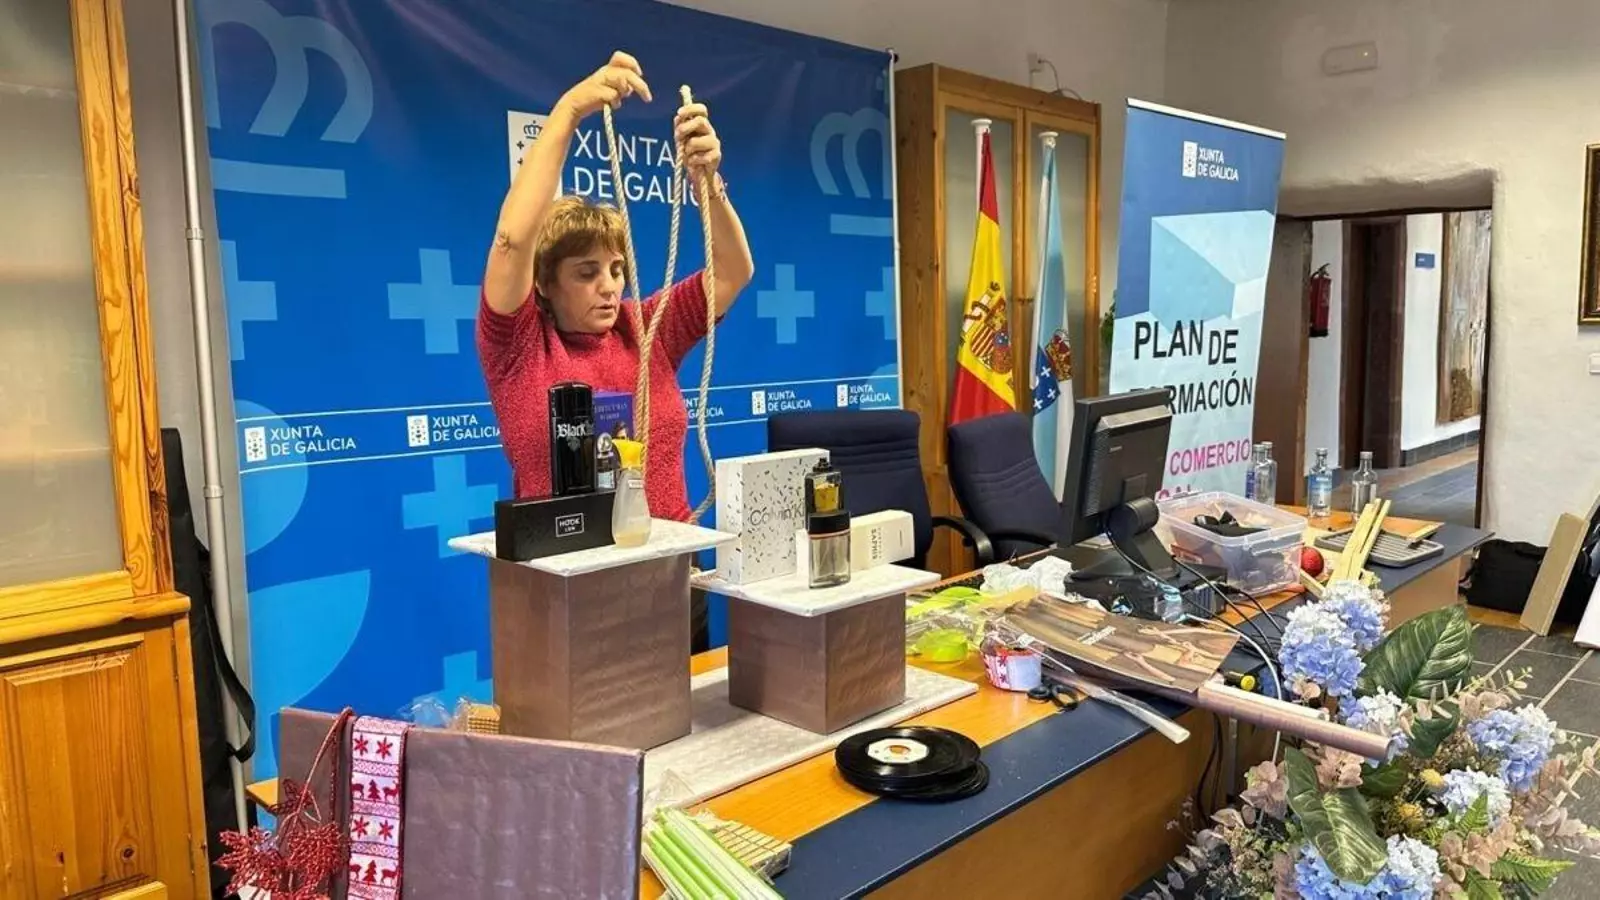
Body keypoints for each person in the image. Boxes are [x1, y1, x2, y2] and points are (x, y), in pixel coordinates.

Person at [478, 51, 754, 523]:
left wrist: (707, 183)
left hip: (671, 560)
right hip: (568, 565)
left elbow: (732, 272)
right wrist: (570, 110)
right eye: (586, 273)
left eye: (616, 269)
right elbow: (511, 241)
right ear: (544, 282)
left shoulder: (644, 329)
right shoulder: (518, 347)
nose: (609, 287)